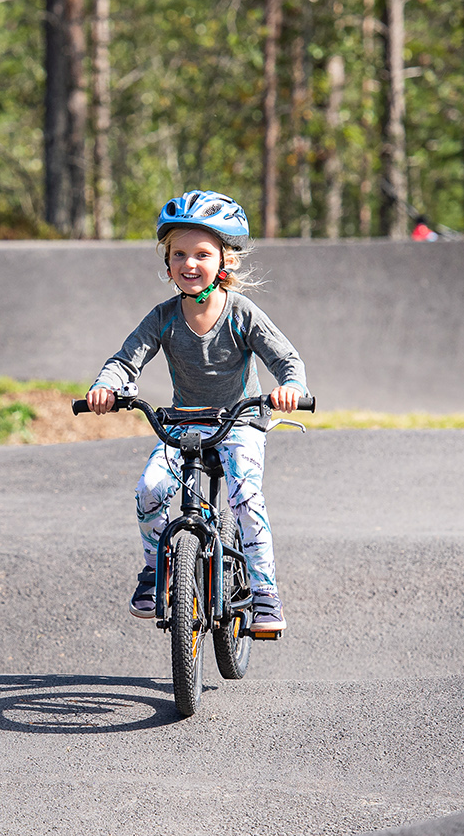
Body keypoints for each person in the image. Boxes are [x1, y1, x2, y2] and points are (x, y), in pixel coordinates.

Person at [85, 191, 310, 634]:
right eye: (179, 254)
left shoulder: (242, 314)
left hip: (239, 421)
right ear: (166, 263)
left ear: (224, 261)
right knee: (149, 489)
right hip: (183, 423)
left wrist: (290, 388)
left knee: (245, 498)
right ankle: (154, 571)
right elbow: (125, 360)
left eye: (202, 254)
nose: (190, 264)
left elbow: (288, 361)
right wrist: (106, 386)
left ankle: (265, 593)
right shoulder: (163, 317)